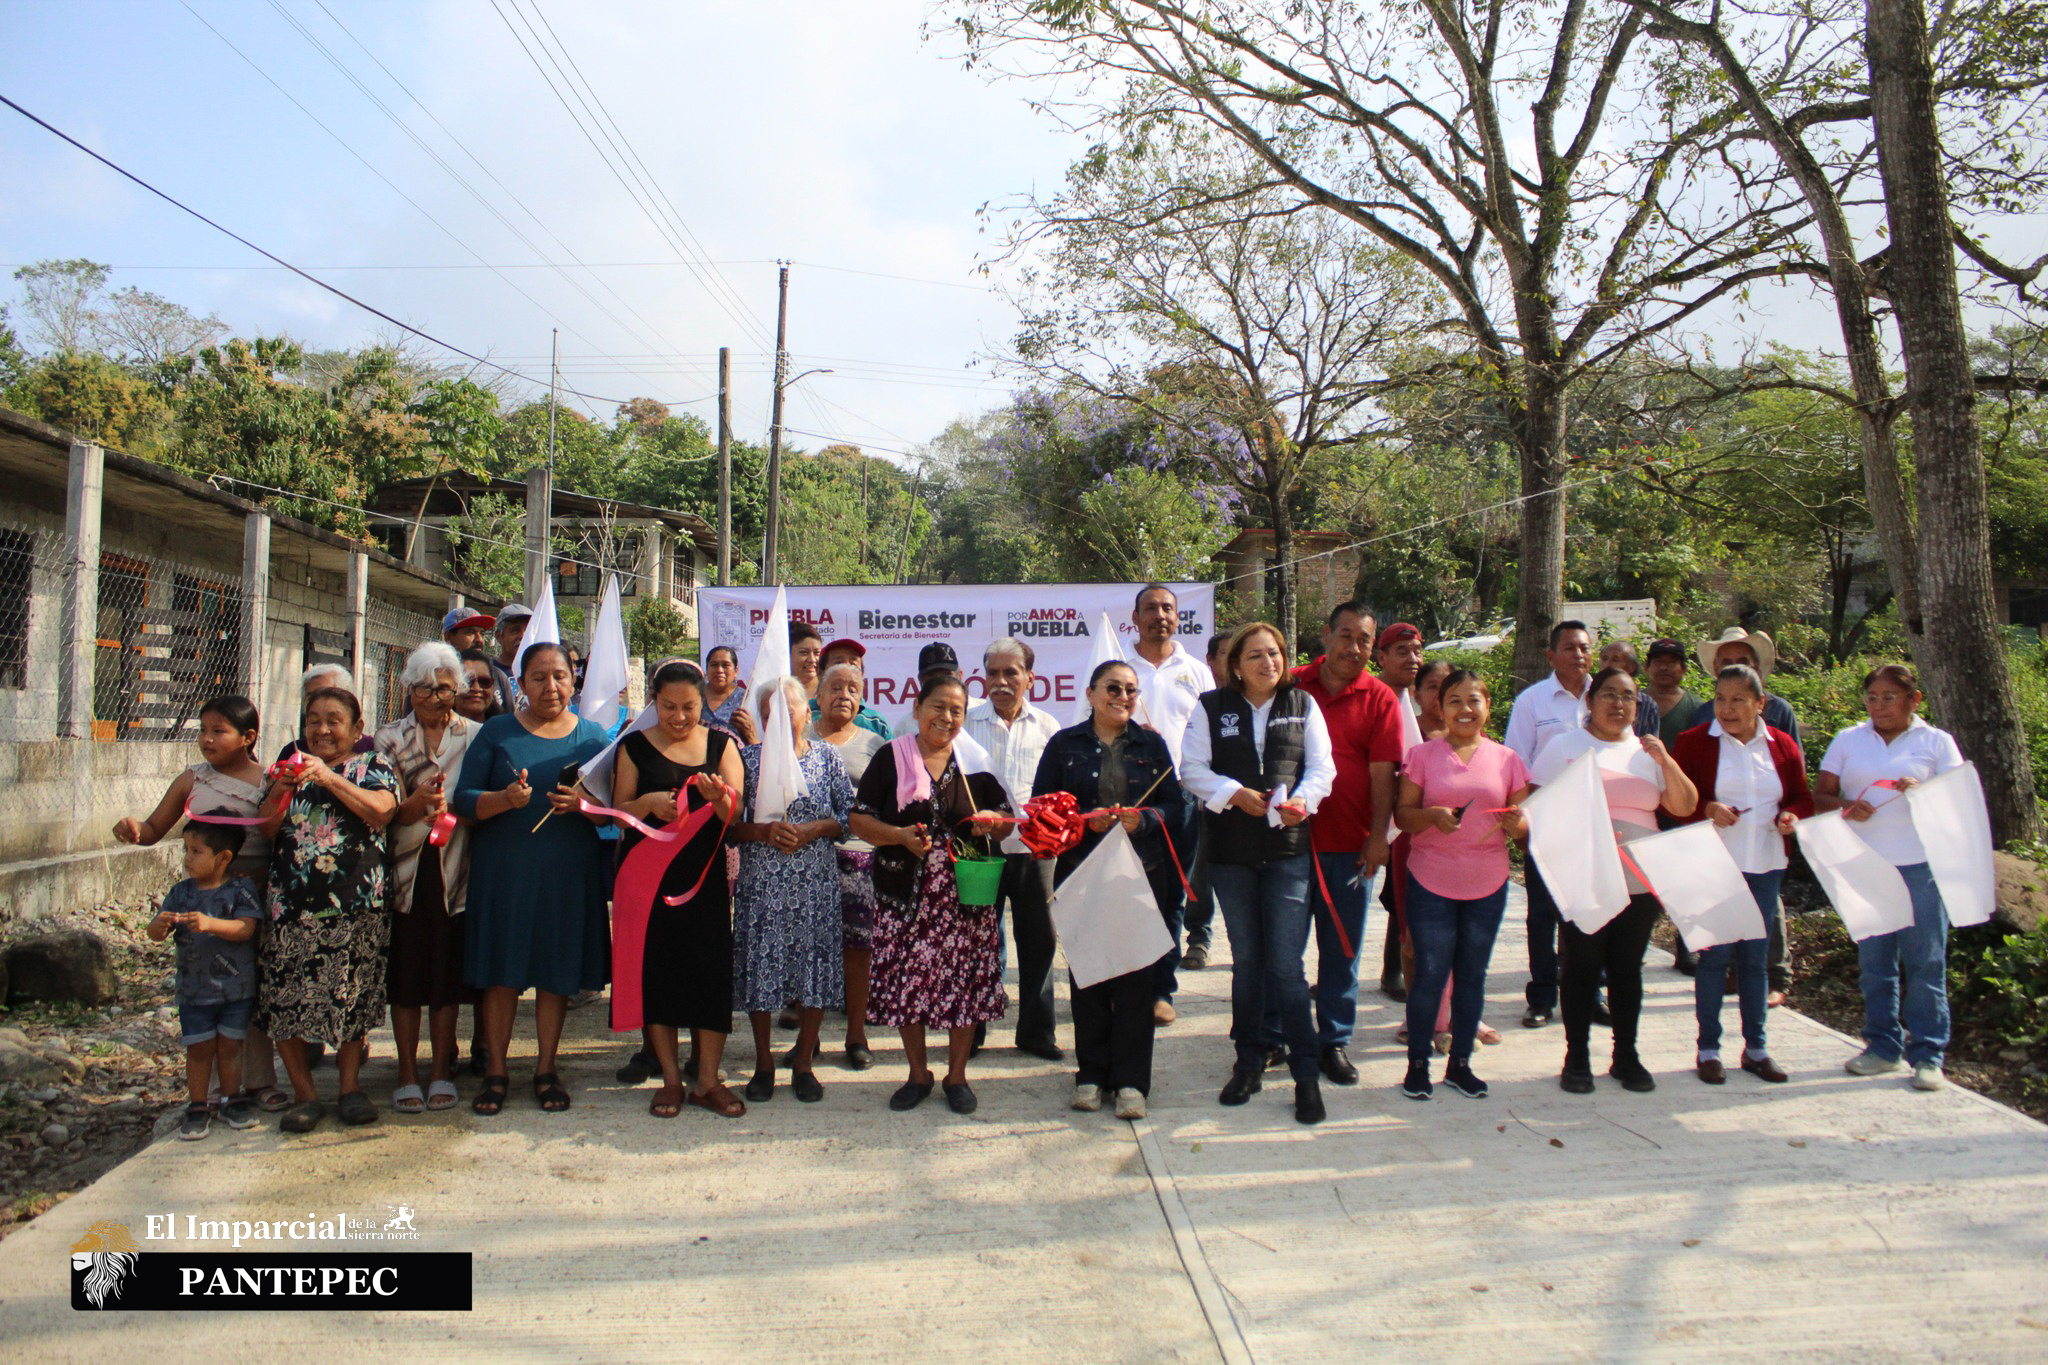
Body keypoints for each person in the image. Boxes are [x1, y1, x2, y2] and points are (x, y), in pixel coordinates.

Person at [1184, 622, 1338, 1125]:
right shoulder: (1211, 707)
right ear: (1235, 665)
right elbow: (1192, 769)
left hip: (1288, 852)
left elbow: (1322, 768)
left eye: (1274, 653)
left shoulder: (1302, 704)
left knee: (1287, 967)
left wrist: (1303, 801)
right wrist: (1233, 794)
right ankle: (1248, 1062)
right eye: (1255, 655)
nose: (1268, 662)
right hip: (1231, 854)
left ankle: (1306, 1074)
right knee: (1248, 962)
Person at [454, 641, 612, 1117]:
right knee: (501, 974)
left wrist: (582, 806)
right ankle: (496, 1071)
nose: (551, 686)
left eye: (560, 676)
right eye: (539, 677)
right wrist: (503, 799)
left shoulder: (592, 738)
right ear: (520, 684)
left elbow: (611, 810)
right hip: (505, 874)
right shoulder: (497, 732)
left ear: (573, 679)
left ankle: (546, 1069)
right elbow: (464, 800)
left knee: (554, 974)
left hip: (567, 874)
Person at [1529, 666, 1699, 1094]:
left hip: (1640, 879)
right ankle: (1577, 1058)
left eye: (1628, 697)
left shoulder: (1647, 752)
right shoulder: (1565, 746)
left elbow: (1684, 806)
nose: (1618, 703)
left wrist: (1665, 760)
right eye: (1609, 694)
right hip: (1584, 875)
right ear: (1590, 700)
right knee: (1582, 965)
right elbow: (1535, 807)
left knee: (1627, 968)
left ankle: (1626, 1055)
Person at [850, 676, 1013, 1116]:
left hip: (965, 900)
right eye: (938, 707)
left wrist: (992, 821)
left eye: (957, 710)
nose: (947, 717)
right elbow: (859, 820)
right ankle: (918, 1074)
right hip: (905, 897)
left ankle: (957, 1076)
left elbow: (1006, 819)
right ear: (917, 708)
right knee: (909, 986)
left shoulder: (974, 761)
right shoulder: (891, 757)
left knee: (964, 987)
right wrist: (898, 836)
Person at [111, 694, 284, 1109]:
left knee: (252, 988)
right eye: (202, 730)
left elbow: (282, 838)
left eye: (218, 731)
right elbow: (154, 829)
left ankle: (259, 1080)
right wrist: (132, 829)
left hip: (255, 897)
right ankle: (213, 1090)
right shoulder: (192, 780)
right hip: (206, 899)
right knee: (211, 986)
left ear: (248, 737)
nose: (207, 739)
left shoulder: (269, 781)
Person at [1032, 660, 1185, 1120]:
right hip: (1082, 874)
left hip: (1140, 874)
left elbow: (1175, 805)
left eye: (1131, 690)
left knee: (1137, 979)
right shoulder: (1064, 744)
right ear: (1091, 692)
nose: (1122, 697)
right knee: (1090, 976)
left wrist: (1146, 820)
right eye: (1113, 688)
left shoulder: (1151, 744)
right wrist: (1083, 822)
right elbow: (1041, 809)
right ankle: (1091, 1075)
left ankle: (1132, 1082)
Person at [255, 687, 400, 1134]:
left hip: (356, 905)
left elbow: (382, 811)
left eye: (334, 720)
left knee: (352, 997)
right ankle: (304, 1095)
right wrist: (282, 789)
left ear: (357, 729)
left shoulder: (373, 765)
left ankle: (350, 1089)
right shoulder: (289, 766)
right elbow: (265, 828)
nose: (322, 729)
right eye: (313, 720)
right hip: (290, 905)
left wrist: (329, 778)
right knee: (285, 999)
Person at [607, 660, 747, 1117]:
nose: (680, 716)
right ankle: (670, 1079)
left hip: (702, 881)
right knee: (658, 976)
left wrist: (720, 798)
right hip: (647, 882)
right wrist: (647, 803)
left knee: (709, 975)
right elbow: (619, 813)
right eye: (669, 707)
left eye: (689, 706)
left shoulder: (722, 745)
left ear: (702, 703)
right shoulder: (633, 747)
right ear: (654, 702)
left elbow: (736, 814)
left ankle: (707, 1080)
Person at [1814, 664, 1963, 1091]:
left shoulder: (1937, 742)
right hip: (1864, 866)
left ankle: (1928, 1055)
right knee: (1875, 965)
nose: (1879, 706)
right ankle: (1882, 1047)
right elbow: (1820, 796)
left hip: (1921, 866)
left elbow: (1960, 800)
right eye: (1872, 697)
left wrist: (1923, 792)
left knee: (1925, 963)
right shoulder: (1849, 739)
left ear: (1914, 700)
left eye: (1889, 697)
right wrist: (1846, 807)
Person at [1393, 669, 1531, 1100]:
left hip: (1487, 883)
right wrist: (1432, 817)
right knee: (1431, 973)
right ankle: (1418, 1064)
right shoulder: (1422, 756)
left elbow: (1525, 826)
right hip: (1431, 880)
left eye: (1474, 700)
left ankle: (1461, 1065)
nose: (1465, 709)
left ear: (1488, 707)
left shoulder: (1507, 760)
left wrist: (1516, 823)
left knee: (1472, 975)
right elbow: (1403, 817)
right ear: (1441, 707)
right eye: (1454, 700)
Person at [1671, 665, 1812, 1085]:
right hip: (1714, 865)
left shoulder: (1782, 745)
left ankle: (1756, 1048)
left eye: (1738, 700)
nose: (1727, 709)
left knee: (1755, 960)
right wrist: (1707, 808)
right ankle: (1708, 1049)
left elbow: (1801, 797)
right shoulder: (1695, 742)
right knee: (1715, 958)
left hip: (1766, 865)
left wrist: (1791, 816)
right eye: (1720, 699)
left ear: (1760, 703)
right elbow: (1674, 801)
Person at [1290, 603, 1402, 1087]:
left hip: (1350, 847)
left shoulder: (1379, 697)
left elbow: (1383, 774)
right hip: (1289, 844)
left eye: (1364, 640)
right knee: (1284, 951)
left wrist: (1378, 837)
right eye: (1346, 636)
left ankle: (1333, 1040)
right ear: (1325, 634)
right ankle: (1283, 1034)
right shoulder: (1292, 685)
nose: (1354, 648)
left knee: (1342, 949)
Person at [734, 677, 855, 1104]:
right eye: (772, 715)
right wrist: (762, 831)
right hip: (762, 886)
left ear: (807, 712)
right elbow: (729, 827)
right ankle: (763, 1063)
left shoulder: (827, 757)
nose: (783, 721)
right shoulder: (747, 760)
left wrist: (814, 828)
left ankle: (804, 1062)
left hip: (815, 887)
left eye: (790, 712)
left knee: (814, 970)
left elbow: (850, 816)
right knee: (760, 970)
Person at [374, 643, 479, 1116]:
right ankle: (405, 1073)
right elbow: (381, 807)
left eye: (444, 688)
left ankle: (440, 1070)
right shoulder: (390, 738)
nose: (435, 697)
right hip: (406, 874)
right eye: (424, 689)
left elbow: (481, 799)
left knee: (444, 978)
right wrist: (411, 805)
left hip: (457, 873)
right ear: (408, 689)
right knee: (406, 979)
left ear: (458, 689)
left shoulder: (475, 737)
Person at [964, 637, 1065, 1060]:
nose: (1001, 681)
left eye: (1011, 672)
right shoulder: (965, 723)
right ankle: (970, 1034)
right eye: (993, 673)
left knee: (1039, 942)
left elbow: (1058, 792)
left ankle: (1037, 1034)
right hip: (978, 852)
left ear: (1030, 678)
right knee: (975, 943)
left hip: (1034, 852)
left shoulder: (1049, 727)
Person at [147, 816, 265, 1140]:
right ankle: (198, 1104)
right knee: (198, 1049)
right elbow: (155, 932)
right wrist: (157, 926)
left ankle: (232, 1099)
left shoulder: (240, 889)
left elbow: (246, 928)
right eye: (185, 850)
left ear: (223, 857)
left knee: (231, 1046)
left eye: (196, 851)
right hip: (194, 991)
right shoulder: (180, 893)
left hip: (235, 989)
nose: (187, 858)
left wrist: (210, 924)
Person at [1126, 584, 1212, 1025]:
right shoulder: (1118, 666)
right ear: (1135, 618)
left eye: (1167, 608)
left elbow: (1210, 739)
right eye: (1150, 608)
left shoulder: (1196, 672)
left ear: (1178, 618)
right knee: (1125, 896)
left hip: (1181, 798)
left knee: (1172, 896)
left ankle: (1161, 990)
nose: (1159, 615)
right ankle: (1124, 987)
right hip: (1126, 800)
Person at [1503, 619, 1594, 1029]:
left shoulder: (1603, 696)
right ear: (1551, 655)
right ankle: (1541, 995)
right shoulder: (1532, 701)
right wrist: (1523, 825)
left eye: (1584, 647)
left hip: (1594, 823)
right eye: (1570, 647)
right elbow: (1517, 763)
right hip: (1547, 821)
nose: (1579, 654)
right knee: (1542, 914)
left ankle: (1589, 993)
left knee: (1589, 911)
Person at [807, 661, 889, 1068]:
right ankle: (808, 1041)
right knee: (810, 951)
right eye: (836, 687)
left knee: (859, 951)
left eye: (853, 689)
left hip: (859, 858)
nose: (844, 695)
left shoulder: (876, 745)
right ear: (818, 696)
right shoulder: (797, 737)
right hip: (805, 857)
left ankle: (856, 1036)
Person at [1371, 619, 1422, 1005]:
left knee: (1401, 892)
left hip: (1407, 815)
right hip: (1367, 809)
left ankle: (1394, 970)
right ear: (1381, 657)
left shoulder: (1420, 698)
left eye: (1417, 651)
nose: (1412, 659)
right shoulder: (1372, 697)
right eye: (1402, 651)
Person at [1180, 631, 1233, 971]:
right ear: (1210, 660)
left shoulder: (1256, 700)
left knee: (1225, 874)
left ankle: (1223, 938)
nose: (1233, 661)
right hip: (1188, 790)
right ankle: (1191, 936)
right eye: (1225, 654)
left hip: (1237, 800)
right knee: (1192, 870)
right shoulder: (1202, 694)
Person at [1695, 628, 1801, 745]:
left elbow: (1793, 755)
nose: (1736, 668)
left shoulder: (1779, 711)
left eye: (1742, 662)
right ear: (1717, 668)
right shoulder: (1704, 714)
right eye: (1727, 663)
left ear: (1755, 665)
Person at [276, 665, 376, 761]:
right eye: (310, 697)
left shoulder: (373, 751)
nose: (322, 731)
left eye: (326, 694)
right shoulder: (293, 751)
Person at [812, 638, 893, 740]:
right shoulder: (803, 715)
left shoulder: (876, 723)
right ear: (820, 673)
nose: (846, 669)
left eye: (853, 665)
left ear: (862, 675)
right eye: (838, 663)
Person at [1598, 641, 1662, 737]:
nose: (1607, 664)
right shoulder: (1590, 697)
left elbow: (1649, 743)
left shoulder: (1647, 705)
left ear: (1632, 667)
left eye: (1615, 660)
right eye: (1604, 658)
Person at [1644, 638, 1701, 743]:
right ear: (1646, 667)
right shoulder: (1633, 702)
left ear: (1684, 669)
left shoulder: (1697, 707)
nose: (1663, 667)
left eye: (1671, 662)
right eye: (1658, 661)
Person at [490, 603, 533, 713]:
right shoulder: (488, 672)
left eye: (528, 631)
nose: (522, 636)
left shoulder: (542, 671)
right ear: (499, 636)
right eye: (515, 631)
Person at [456, 648, 504, 724]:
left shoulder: (504, 728)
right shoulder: (438, 729)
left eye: (484, 681)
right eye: (467, 681)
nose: (476, 688)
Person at [790, 622, 826, 701]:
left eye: (817, 653)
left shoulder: (830, 689)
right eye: (804, 653)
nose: (812, 660)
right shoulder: (776, 691)